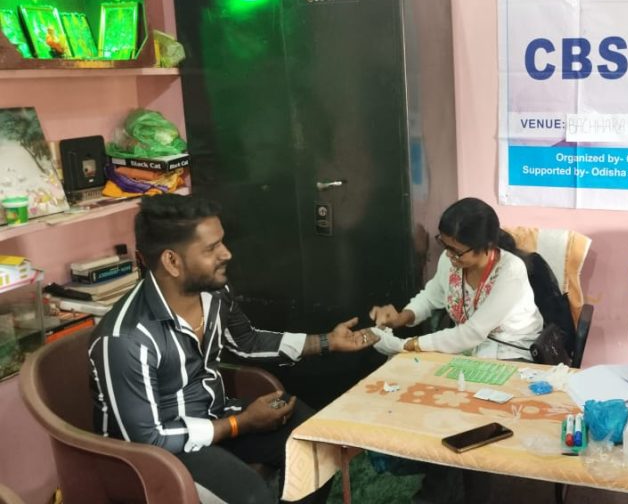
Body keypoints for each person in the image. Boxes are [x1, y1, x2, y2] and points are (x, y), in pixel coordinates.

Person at [88, 194, 379, 504]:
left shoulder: (214, 293)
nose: (226, 253)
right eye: (211, 248)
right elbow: (148, 439)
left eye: (222, 242)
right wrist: (240, 423)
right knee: (252, 496)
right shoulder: (126, 339)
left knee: (314, 442)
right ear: (172, 262)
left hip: (214, 418)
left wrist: (326, 342)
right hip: (158, 457)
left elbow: (247, 341)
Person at [369, 197, 543, 359]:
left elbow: (473, 332)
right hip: (467, 348)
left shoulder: (511, 271)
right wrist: (401, 317)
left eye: (457, 251)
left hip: (511, 351)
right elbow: (430, 298)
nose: (448, 255)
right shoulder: (451, 260)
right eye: (444, 245)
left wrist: (408, 344)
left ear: (487, 246)